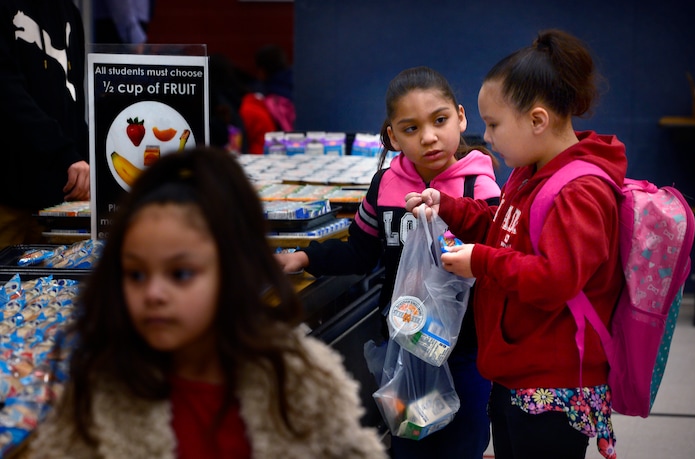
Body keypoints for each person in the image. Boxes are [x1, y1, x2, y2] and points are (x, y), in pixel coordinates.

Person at [26, 146, 389, 459]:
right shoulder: (100, 396)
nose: (153, 293)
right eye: (135, 274)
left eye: (181, 274)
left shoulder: (297, 383)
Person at [405, 30, 624, 459]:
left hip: (554, 384)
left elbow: (555, 278)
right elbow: (502, 227)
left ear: (537, 120)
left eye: (494, 124)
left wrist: (481, 262)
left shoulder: (580, 191)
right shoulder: (531, 171)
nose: (486, 136)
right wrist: (449, 206)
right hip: (517, 371)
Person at [276, 66, 501, 459]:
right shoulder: (385, 185)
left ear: (461, 117)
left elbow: (497, 263)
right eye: (410, 129)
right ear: (393, 136)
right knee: (408, 441)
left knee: (462, 446)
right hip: (403, 348)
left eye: (440, 120)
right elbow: (360, 252)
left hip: (465, 352)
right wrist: (305, 256)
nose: (429, 137)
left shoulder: (478, 187)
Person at [0, 0, 90, 250]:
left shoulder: (68, 11)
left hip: (60, 202)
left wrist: (86, 161)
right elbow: (7, 95)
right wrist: (66, 155)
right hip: (8, 197)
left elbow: (73, 102)